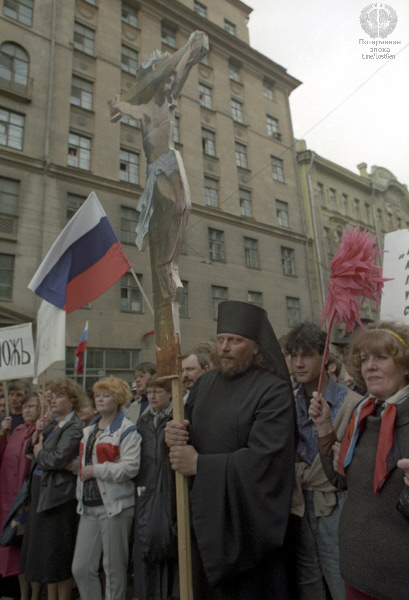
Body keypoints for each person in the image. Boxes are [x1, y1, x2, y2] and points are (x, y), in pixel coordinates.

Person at [165, 300, 296, 600]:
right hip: (203, 516)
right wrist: (172, 436)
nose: (224, 347)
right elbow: (186, 435)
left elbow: (267, 459)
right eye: (220, 339)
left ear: (255, 347)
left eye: (234, 341)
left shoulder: (272, 390)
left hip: (245, 526)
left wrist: (200, 465)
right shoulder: (205, 383)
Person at [310, 321, 409, 600]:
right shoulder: (363, 414)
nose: (370, 366)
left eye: (381, 357)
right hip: (357, 571)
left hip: (399, 581)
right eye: (365, 359)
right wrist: (325, 427)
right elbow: (340, 480)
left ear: (406, 365)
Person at [110, 31, 208, 299]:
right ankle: (164, 266)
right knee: (174, 207)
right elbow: (122, 109)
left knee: (183, 206)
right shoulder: (144, 110)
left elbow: (182, 68)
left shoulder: (168, 97)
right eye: (161, 74)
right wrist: (118, 104)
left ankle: (168, 264)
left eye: (168, 74)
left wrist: (190, 50)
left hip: (170, 160)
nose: (169, 78)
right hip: (155, 169)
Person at [285, 322, 362, 600]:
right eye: (294, 356)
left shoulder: (350, 403)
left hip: (336, 502)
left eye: (307, 355)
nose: (299, 363)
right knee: (309, 584)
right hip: (300, 502)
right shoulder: (289, 402)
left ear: (324, 356)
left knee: (341, 581)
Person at [72, 376, 141, 600]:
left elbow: (130, 468)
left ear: (118, 399)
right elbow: (83, 465)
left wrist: (96, 471)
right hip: (88, 506)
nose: (100, 399)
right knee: (81, 568)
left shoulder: (128, 430)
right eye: (98, 395)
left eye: (106, 395)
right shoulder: (89, 428)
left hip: (116, 506)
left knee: (114, 569)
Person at [19, 378, 85, 600]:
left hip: (58, 497)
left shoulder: (74, 426)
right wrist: (37, 436)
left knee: (57, 555)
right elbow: (31, 449)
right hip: (42, 492)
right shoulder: (53, 423)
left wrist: (39, 453)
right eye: (52, 396)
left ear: (72, 400)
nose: (53, 399)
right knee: (46, 556)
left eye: (59, 396)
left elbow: (55, 459)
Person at [134, 375, 178, 600]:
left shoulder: (177, 417)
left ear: (170, 393)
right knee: (148, 547)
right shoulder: (142, 420)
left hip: (169, 490)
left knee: (168, 545)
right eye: (149, 392)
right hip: (146, 491)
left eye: (157, 392)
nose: (151, 396)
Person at [0, 393, 41, 600]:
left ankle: (34, 595)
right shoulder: (15, 430)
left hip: (26, 500)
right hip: (8, 499)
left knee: (27, 551)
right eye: (25, 406)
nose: (27, 410)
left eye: (32, 406)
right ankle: (23, 595)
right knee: (14, 551)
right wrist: (1, 434)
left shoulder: (40, 431)